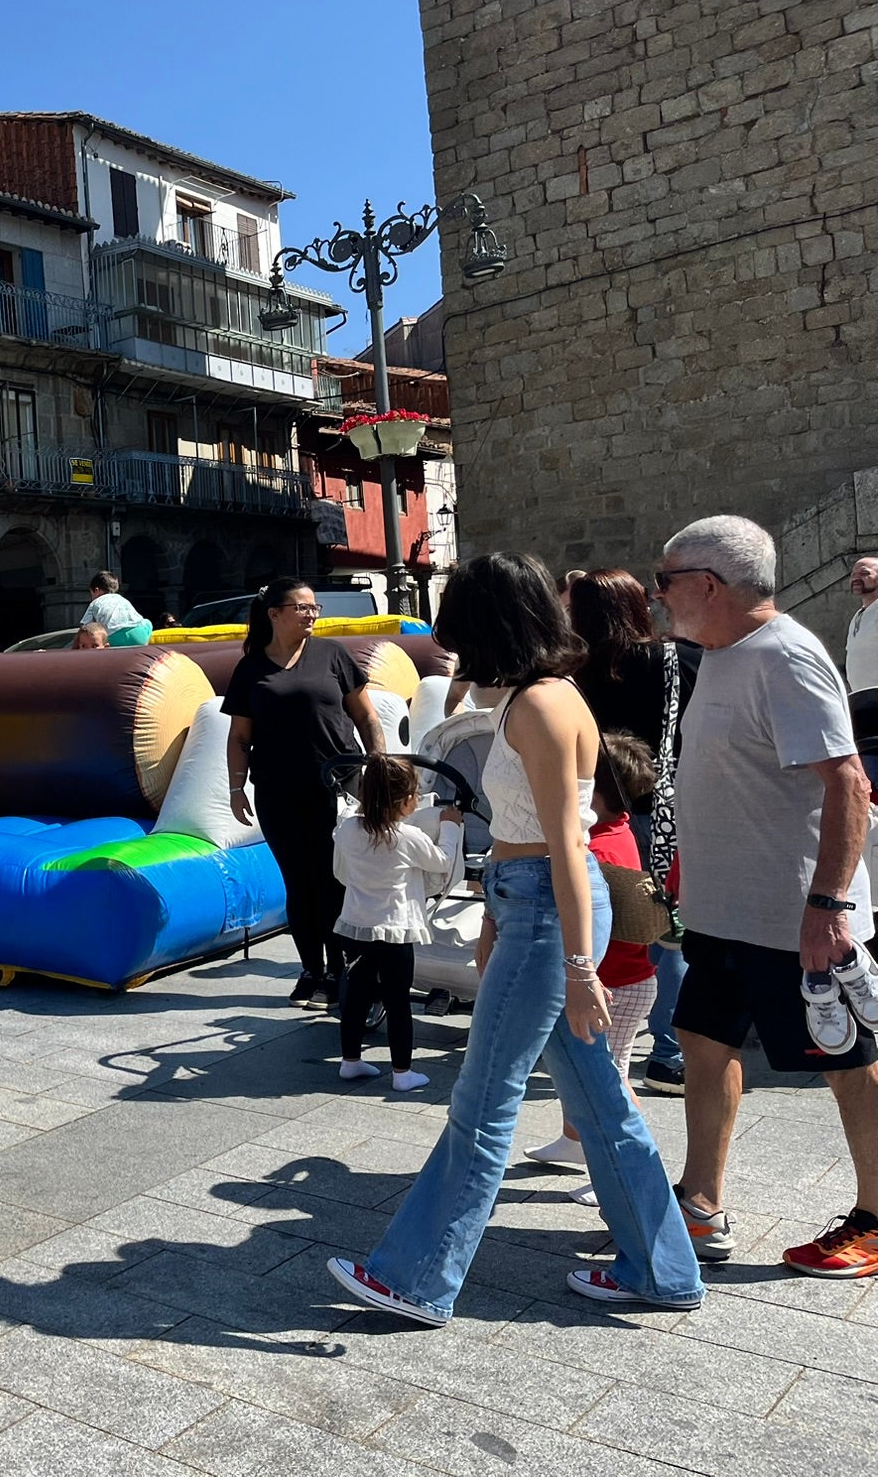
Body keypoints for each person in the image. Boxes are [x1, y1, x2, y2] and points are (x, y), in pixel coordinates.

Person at [328, 552, 702, 1325]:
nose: (450, 641)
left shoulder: (537, 706)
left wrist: (575, 965)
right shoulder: (543, 696)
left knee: (484, 1101)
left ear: (488, 624)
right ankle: (662, 1271)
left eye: (458, 624)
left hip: (547, 913)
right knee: (601, 1103)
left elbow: (566, 843)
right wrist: (502, 920)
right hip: (532, 907)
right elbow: (533, 839)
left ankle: (419, 1278)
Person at [656, 516, 878, 1278]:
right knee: (704, 1043)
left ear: (707, 586)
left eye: (666, 581)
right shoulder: (720, 655)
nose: (660, 597)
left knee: (849, 1061)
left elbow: (848, 783)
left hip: (795, 918)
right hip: (726, 911)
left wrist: (828, 907)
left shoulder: (785, 656)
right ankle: (701, 1204)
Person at [567, 567, 701, 1096]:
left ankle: (600, 1035)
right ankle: (666, 1053)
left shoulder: (573, 671)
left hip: (597, 816)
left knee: (609, 926)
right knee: (670, 934)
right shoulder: (679, 659)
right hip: (667, 812)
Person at [222, 578, 385, 1007]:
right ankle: (311, 969)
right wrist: (236, 788)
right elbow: (240, 736)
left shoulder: (333, 655)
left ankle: (341, 969)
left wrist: (379, 766)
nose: (312, 614)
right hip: (278, 790)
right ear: (274, 613)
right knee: (299, 883)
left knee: (335, 881)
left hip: (340, 786)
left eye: (315, 608)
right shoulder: (251, 668)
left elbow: (367, 717)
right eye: (302, 607)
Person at [525, 732, 664, 1201]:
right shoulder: (617, 829)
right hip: (625, 979)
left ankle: (623, 1170)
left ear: (594, 793)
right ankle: (574, 1141)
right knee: (581, 1069)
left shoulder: (597, 850)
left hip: (617, 984)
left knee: (610, 1080)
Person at [331, 753, 464, 1091]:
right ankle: (402, 1072)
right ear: (407, 802)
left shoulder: (347, 829)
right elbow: (442, 861)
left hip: (354, 928)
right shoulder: (406, 838)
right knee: (397, 1000)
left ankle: (350, 1060)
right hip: (394, 931)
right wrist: (450, 825)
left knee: (356, 997)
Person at [79, 572, 153, 647]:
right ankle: (143, 645)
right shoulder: (122, 599)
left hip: (114, 637)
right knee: (147, 622)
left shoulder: (95, 602)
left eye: (91, 594)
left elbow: (84, 627)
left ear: (96, 590)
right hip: (138, 635)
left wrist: (73, 649)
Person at [846, 555, 878, 692]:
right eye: (853, 574)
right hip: (863, 702)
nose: (856, 578)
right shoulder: (858, 616)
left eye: (865, 573)